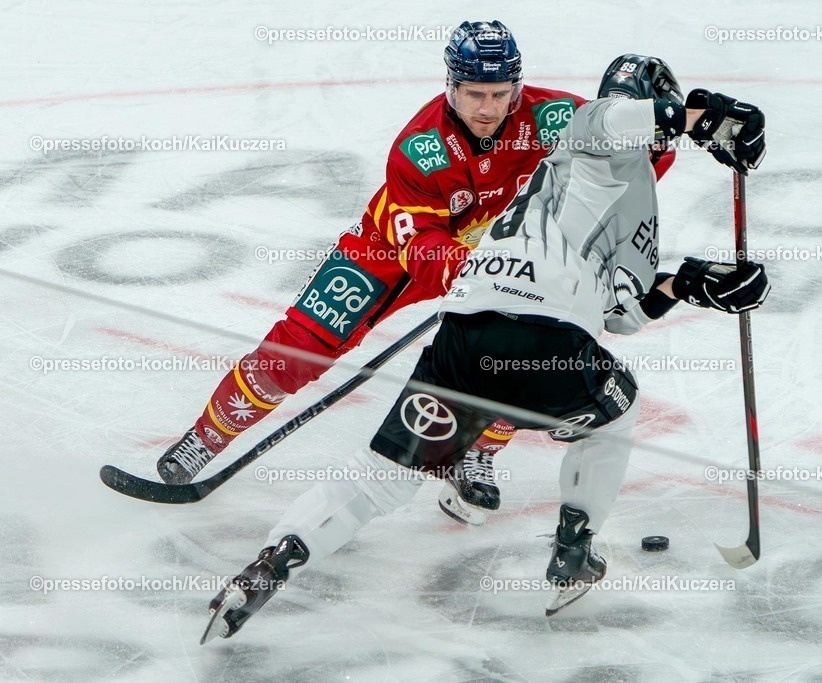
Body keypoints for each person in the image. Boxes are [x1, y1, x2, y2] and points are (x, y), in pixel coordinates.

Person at [199, 52, 768, 643]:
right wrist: (710, 119)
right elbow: (612, 120)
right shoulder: (587, 139)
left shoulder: (624, 197)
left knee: (381, 478)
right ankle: (573, 553)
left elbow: (618, 315)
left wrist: (689, 285)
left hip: (465, 335)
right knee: (612, 415)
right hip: (541, 338)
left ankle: (271, 562)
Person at [155, 20, 641, 525]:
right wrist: (477, 269)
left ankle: (474, 453)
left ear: (516, 86)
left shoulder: (554, 113)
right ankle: (205, 439)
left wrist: (676, 120)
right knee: (302, 344)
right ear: (450, 85)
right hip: (390, 250)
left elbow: (631, 151)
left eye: (500, 94)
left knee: (514, 349)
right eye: (474, 93)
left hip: (497, 259)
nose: (487, 109)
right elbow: (423, 250)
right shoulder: (419, 145)